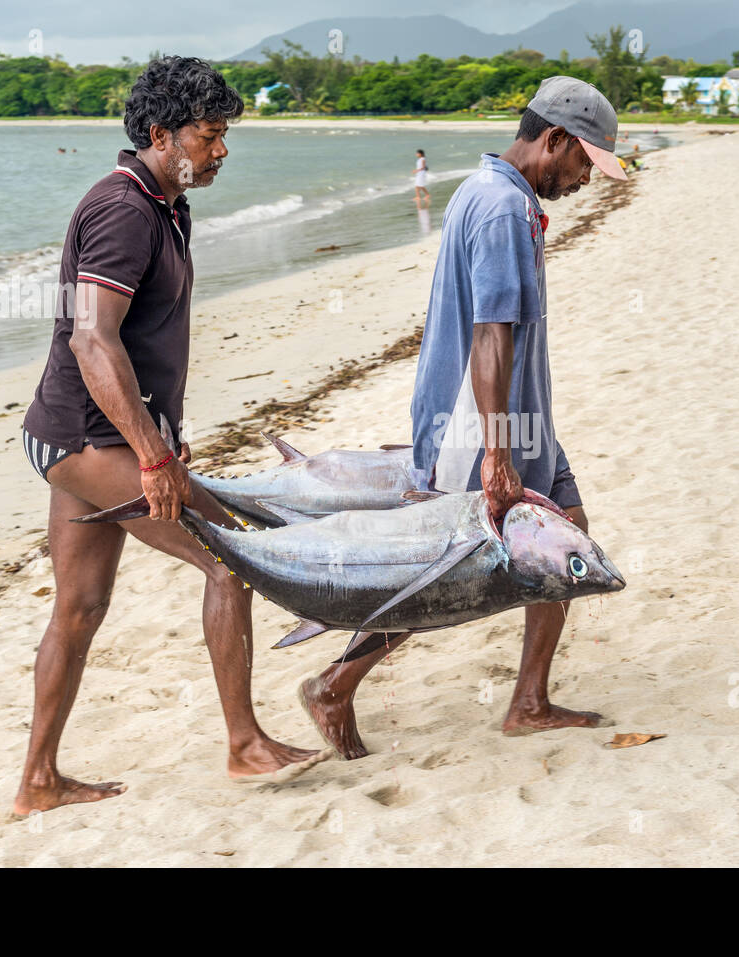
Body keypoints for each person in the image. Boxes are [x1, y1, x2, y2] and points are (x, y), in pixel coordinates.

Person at [14, 57, 322, 814]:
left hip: (80, 435)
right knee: (230, 558)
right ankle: (246, 745)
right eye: (211, 136)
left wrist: (161, 438)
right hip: (87, 440)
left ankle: (38, 781)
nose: (222, 152)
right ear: (161, 134)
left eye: (223, 137)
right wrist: (152, 456)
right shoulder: (124, 210)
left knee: (79, 608)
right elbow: (93, 340)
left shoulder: (165, 202)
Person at [298, 77, 629, 759]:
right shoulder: (502, 207)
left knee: (569, 538)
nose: (583, 181)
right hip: (479, 427)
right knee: (442, 571)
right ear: (555, 139)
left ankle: (530, 699)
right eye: (582, 164)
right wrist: (498, 452)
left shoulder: (493, 192)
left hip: (520, 416)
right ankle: (335, 683)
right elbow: (490, 334)